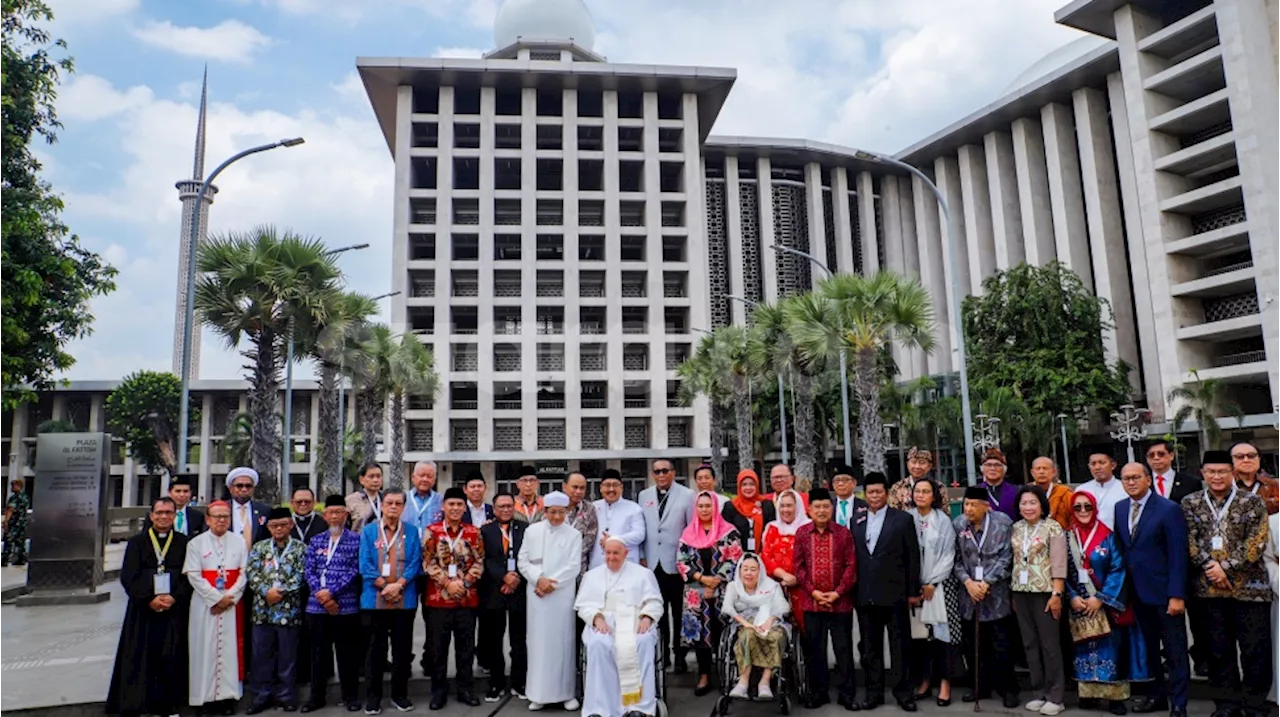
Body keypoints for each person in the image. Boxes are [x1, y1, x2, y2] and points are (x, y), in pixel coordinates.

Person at [1182, 450, 1272, 717]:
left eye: (1222, 471)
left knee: (1255, 649)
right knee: (1218, 651)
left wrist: (1227, 567)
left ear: (1232, 473)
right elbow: (1189, 540)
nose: (1217, 476)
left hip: (1250, 589)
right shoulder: (1191, 502)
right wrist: (1212, 567)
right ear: (1203, 474)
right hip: (1208, 590)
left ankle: (1254, 704)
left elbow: (1257, 541)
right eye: (1211, 471)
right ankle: (1226, 704)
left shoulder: (1252, 501)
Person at [1113, 462, 1189, 717]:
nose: (1131, 482)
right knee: (1149, 650)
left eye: (1136, 477)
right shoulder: (1120, 507)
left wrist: (1177, 595)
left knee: (1175, 651)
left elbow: (1178, 556)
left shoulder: (1169, 510)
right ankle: (1157, 695)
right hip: (1136, 593)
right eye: (1126, 478)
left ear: (1148, 479)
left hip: (1165, 594)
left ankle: (1179, 703)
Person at [107, 498, 192, 717]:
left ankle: (169, 705)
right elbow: (128, 576)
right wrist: (148, 600)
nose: (164, 517)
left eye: (169, 513)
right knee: (139, 656)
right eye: (159, 512)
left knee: (171, 656)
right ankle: (137, 704)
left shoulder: (184, 542)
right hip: (142, 610)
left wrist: (174, 597)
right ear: (151, 515)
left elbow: (189, 576)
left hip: (173, 610)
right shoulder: (137, 542)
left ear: (175, 515)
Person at [1065, 490, 1144, 715]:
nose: (1082, 511)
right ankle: (1089, 694)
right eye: (1077, 507)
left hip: (1105, 604)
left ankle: (1115, 698)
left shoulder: (1108, 535)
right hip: (1078, 603)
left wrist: (1100, 599)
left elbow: (1118, 569)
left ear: (1094, 508)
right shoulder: (1066, 536)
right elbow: (1060, 570)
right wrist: (1072, 596)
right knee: (1083, 650)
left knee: (1111, 649)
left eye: (1087, 507)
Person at [852, 473, 921, 712]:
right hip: (865, 595)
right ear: (865, 494)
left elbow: (913, 556)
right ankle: (874, 693)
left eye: (878, 492)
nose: (874, 496)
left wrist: (913, 591)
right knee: (870, 648)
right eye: (869, 492)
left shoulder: (902, 520)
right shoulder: (856, 520)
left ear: (886, 493)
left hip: (895, 594)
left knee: (900, 646)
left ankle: (904, 692)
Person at [575, 537, 665, 717]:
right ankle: (600, 708)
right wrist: (596, 618)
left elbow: (655, 601)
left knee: (643, 642)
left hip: (634, 620)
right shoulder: (592, 575)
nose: (611, 557)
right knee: (599, 644)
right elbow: (584, 606)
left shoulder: (643, 574)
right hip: (604, 622)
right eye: (607, 553)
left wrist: (647, 617)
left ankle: (638, 707)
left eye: (616, 553)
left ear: (626, 553)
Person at [1143, 438, 1208, 679]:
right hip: (1156, 558)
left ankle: (1201, 657)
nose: (1157, 459)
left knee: (1197, 611)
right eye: (1152, 455)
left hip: (1188, 555)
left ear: (1171, 456)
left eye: (1162, 454)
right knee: (1163, 613)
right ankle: (1166, 657)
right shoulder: (1143, 484)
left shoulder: (1190, 483)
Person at [952, 486, 1020, 708]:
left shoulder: (1002, 523)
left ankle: (1008, 688)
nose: (969, 510)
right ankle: (979, 686)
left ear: (986, 506)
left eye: (974, 505)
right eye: (966, 505)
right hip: (969, 594)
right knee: (973, 646)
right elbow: (956, 560)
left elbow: (1007, 557)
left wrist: (987, 582)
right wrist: (969, 583)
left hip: (996, 593)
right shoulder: (958, 524)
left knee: (1002, 644)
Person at [793, 487, 857, 710]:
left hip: (841, 603)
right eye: (817, 506)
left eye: (825, 506)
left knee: (843, 650)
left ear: (832, 508)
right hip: (812, 603)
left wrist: (837, 592)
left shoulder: (843, 533)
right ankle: (819, 693)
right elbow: (798, 567)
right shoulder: (802, 533)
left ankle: (847, 694)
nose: (821, 510)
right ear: (809, 509)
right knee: (815, 652)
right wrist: (813, 592)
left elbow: (851, 566)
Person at [359, 488, 422, 714]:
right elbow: (364, 563)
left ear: (404, 507)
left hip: (404, 600)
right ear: (382, 505)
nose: (393, 507)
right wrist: (385, 586)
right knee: (374, 651)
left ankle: (399, 695)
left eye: (398, 503)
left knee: (402, 651)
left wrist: (399, 585)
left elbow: (416, 562)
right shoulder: (368, 532)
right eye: (389, 503)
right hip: (374, 600)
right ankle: (373, 698)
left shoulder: (413, 532)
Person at [519, 491, 583, 712]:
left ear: (567, 512)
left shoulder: (574, 534)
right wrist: (539, 579)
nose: (557, 517)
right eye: (552, 512)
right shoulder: (532, 531)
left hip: (562, 596)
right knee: (538, 644)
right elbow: (523, 560)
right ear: (544, 512)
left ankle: (566, 693)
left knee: (563, 644)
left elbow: (574, 567)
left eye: (561, 512)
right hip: (537, 595)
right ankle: (538, 693)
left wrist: (550, 584)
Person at [422, 487, 485, 710]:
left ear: (464, 507)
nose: (456, 508)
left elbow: (479, 562)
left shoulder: (474, 532)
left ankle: (465, 689)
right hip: (438, 600)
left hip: (467, 599)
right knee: (438, 649)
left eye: (459, 504)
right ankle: (438, 692)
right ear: (443, 506)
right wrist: (448, 582)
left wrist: (465, 583)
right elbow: (428, 562)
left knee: (466, 648)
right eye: (451, 504)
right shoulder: (432, 531)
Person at [185, 500, 249, 716]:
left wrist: (229, 599)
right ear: (208, 519)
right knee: (204, 649)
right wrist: (215, 599)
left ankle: (227, 699)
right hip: (205, 606)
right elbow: (194, 575)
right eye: (217, 516)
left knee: (230, 650)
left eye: (226, 517)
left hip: (231, 604)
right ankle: (204, 699)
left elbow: (244, 573)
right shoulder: (196, 543)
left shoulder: (239, 542)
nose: (222, 520)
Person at [678, 490, 744, 696]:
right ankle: (704, 675)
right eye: (701, 506)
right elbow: (681, 562)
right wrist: (702, 579)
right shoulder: (689, 534)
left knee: (724, 630)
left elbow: (735, 560)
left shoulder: (728, 532)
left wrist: (714, 582)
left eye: (708, 506)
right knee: (700, 635)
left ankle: (727, 674)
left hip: (722, 590)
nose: (704, 509)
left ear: (715, 507)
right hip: (695, 594)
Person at [301, 496, 362, 714]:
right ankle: (316, 697)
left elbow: (355, 570)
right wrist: (321, 594)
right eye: (331, 512)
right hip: (316, 606)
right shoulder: (316, 540)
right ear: (325, 516)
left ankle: (351, 697)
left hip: (345, 606)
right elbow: (309, 570)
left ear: (346, 515)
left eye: (339, 512)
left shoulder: (356, 540)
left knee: (347, 654)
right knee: (318, 654)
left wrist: (332, 593)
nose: (335, 516)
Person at [1010, 485, 1067, 716]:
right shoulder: (1016, 528)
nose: (1028, 507)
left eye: (1032, 502)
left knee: (1049, 644)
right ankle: (1039, 691)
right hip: (1020, 590)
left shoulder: (1052, 527)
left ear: (1042, 505)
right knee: (1029, 644)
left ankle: (1056, 695)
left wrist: (1057, 594)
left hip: (1045, 592)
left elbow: (1059, 564)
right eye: (1023, 503)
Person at [246, 507, 307, 714]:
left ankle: (287, 696)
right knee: (261, 656)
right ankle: (261, 697)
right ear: (268, 527)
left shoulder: (300, 548)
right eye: (274, 526)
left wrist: (280, 592)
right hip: (262, 612)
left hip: (288, 612)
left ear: (290, 525)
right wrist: (266, 591)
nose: (279, 529)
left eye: (283, 525)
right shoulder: (259, 547)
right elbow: (252, 573)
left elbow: (301, 576)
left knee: (287, 658)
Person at [907, 478, 962, 708]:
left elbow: (949, 554)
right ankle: (925, 680)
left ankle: (945, 683)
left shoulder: (943, 520)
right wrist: (914, 585)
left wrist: (931, 582)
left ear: (934, 496)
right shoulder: (906, 518)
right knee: (921, 639)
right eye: (917, 491)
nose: (921, 495)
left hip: (939, 586)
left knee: (942, 637)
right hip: (914, 589)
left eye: (926, 491)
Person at [638, 458, 695, 674]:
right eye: (656, 472)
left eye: (664, 471)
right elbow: (643, 528)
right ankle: (661, 654)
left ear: (673, 472)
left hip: (677, 564)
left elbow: (690, 530)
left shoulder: (687, 496)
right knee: (657, 612)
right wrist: (642, 555)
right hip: (653, 564)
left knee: (679, 613)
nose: (660, 475)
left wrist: (687, 560)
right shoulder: (644, 496)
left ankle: (679, 655)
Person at [721, 552, 790, 700]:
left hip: (770, 621)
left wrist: (769, 621)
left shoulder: (771, 586)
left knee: (776, 637)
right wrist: (746, 623)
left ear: (760, 571)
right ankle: (743, 681)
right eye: (745, 569)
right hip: (743, 622)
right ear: (739, 570)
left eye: (753, 569)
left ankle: (764, 682)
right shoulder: (734, 586)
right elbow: (727, 608)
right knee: (748, 635)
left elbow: (783, 607)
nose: (749, 573)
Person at [479, 493, 527, 702]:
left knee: (519, 641)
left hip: (519, 590)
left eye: (509, 506)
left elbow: (529, 555)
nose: (506, 510)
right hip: (494, 591)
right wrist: (503, 578)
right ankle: (496, 684)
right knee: (494, 640)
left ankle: (519, 682)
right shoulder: (485, 530)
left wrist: (515, 579)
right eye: (501, 507)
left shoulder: (525, 529)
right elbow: (484, 559)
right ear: (495, 509)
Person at [406, 460, 442, 679]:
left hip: (433, 571)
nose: (425, 479)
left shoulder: (442, 502)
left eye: (429, 476)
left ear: (434, 479)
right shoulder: (401, 500)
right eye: (421, 475)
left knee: (433, 619)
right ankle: (405, 660)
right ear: (413, 477)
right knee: (406, 618)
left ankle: (431, 659)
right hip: (406, 570)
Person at [288, 487, 325, 686]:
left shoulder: (322, 523)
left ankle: (319, 673)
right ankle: (297, 672)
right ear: (292, 502)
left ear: (314, 502)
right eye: (299, 501)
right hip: (291, 587)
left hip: (318, 587)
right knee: (295, 633)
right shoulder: (285, 523)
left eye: (307, 501)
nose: (303, 505)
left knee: (317, 633)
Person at [761, 489, 811, 635]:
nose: (785, 510)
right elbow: (766, 556)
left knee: (806, 631)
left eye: (789, 506)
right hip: (776, 587)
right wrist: (784, 575)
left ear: (798, 507)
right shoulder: (772, 527)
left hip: (803, 587)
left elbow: (811, 557)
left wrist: (797, 578)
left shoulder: (808, 527)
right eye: (782, 506)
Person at [592, 469, 646, 569]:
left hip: (626, 563)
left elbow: (639, 535)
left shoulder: (634, 508)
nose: (611, 489)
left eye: (615, 485)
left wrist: (613, 540)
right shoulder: (593, 507)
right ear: (601, 488)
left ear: (621, 488)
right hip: (597, 564)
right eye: (607, 485)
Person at [723, 469, 774, 552]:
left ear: (757, 485)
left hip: (763, 554)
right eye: (744, 484)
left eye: (752, 484)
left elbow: (772, 533)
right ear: (739, 486)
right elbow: (726, 534)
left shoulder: (767, 505)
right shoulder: (731, 506)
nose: (748, 488)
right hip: (738, 556)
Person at [1077, 453, 1126, 531]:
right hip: (1088, 538)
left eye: (1102, 463)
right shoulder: (1081, 490)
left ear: (1113, 465)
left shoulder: (1125, 488)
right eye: (1093, 464)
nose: (1097, 467)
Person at [563, 472, 598, 576]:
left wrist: (572, 556)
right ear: (564, 487)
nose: (578, 492)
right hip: (555, 565)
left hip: (579, 568)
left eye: (582, 488)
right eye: (575, 487)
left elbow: (590, 539)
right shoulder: (554, 507)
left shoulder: (589, 509)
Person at [1232, 441, 1280, 515]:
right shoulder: (1221, 486)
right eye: (1240, 456)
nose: (1246, 460)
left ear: (1259, 459)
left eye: (1251, 456)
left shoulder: (1273, 485)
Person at [1030, 457, 1073, 530]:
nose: (1041, 472)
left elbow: (1073, 519)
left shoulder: (1065, 493)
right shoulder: (1026, 492)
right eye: (1038, 468)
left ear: (1054, 472)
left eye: (1045, 468)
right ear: (1032, 472)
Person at [978, 449, 1020, 522]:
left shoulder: (1016, 491)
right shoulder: (974, 491)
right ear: (982, 469)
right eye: (988, 465)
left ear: (1004, 469)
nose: (992, 468)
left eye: (997, 465)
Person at [346, 462, 385, 533]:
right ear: (361, 480)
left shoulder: (387, 499)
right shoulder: (350, 500)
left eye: (378, 476)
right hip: (359, 542)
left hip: (384, 542)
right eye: (371, 476)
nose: (375, 480)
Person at [1, 477, 29, 566]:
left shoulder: (14, 498)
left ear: (18, 486)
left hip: (14, 524)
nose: (11, 488)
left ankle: (4, 560)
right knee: (20, 542)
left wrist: (5, 521)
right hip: (22, 523)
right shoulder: (25, 497)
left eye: (13, 486)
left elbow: (10, 510)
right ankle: (22, 559)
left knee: (8, 541)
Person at [830, 465, 867, 530]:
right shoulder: (828, 506)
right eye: (837, 480)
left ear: (854, 483)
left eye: (845, 480)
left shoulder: (865, 506)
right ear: (833, 485)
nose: (840, 484)